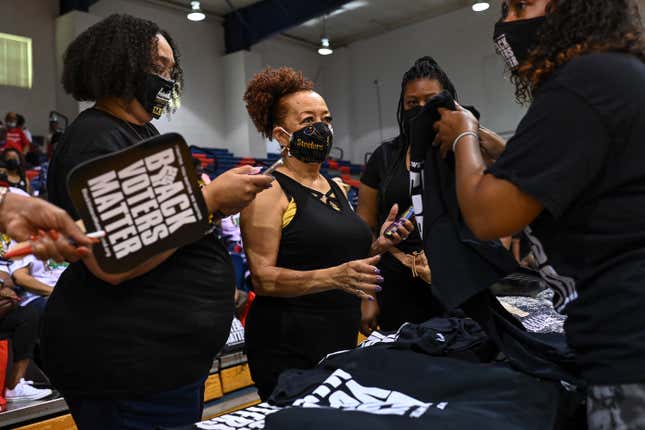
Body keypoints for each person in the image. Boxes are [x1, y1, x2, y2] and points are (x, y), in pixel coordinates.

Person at [40, 14, 273, 429]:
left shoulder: (142, 134)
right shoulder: (96, 138)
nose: (166, 79)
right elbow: (114, 258)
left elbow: (167, 226)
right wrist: (209, 200)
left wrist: (213, 203)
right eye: (157, 68)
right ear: (118, 65)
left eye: (170, 69)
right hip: (127, 370)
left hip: (163, 365)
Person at [432, 0, 645, 428]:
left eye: (521, 6)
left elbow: (489, 214)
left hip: (630, 349)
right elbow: (579, 183)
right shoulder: (616, 76)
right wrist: (499, 148)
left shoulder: (583, 81)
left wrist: (465, 138)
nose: (506, 23)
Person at [240, 67, 414, 400]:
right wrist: (333, 277)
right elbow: (262, 279)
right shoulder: (267, 190)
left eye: (326, 118)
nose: (322, 128)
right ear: (280, 135)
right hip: (287, 340)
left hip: (338, 331)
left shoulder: (335, 186)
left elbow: (344, 258)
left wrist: (379, 243)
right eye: (308, 121)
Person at [358, 57, 457, 334]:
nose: (421, 108)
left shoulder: (465, 150)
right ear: (403, 106)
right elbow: (364, 230)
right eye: (412, 102)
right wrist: (367, 296)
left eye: (431, 100)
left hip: (456, 278)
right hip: (394, 283)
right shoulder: (384, 156)